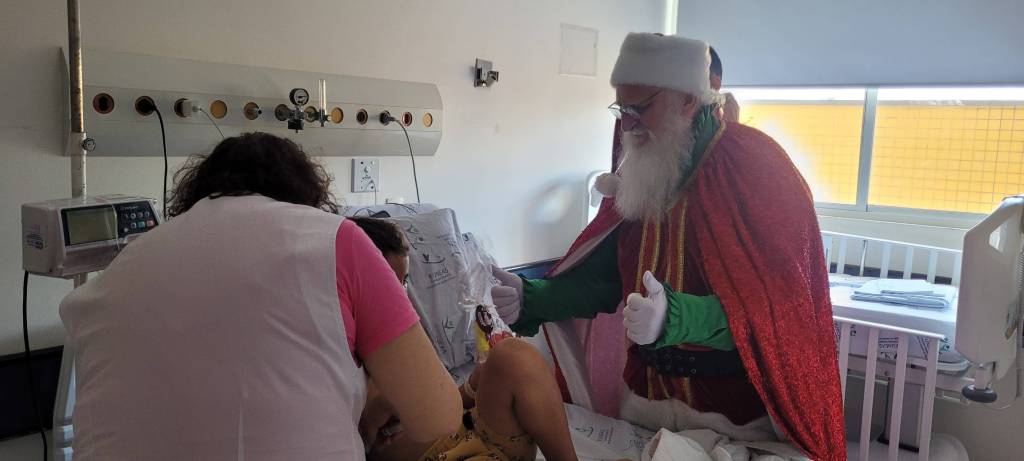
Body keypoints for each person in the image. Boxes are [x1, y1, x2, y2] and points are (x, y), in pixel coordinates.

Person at [490, 34, 846, 460]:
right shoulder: (642, 165)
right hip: (641, 411)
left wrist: (676, 317)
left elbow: (778, 311)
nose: (627, 125)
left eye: (640, 108)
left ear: (688, 101)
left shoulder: (756, 165)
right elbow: (606, 280)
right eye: (622, 109)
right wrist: (532, 297)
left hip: (735, 423)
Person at [59, 132, 462, 460]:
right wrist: (377, 396)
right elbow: (438, 418)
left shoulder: (122, 267)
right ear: (306, 198)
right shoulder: (334, 240)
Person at [350, 217, 579, 461]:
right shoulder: (338, 352)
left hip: (471, 435)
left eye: (404, 283)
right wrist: (369, 420)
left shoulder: (403, 339)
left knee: (512, 356)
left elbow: (441, 409)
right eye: (387, 287)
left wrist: (472, 384)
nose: (401, 298)